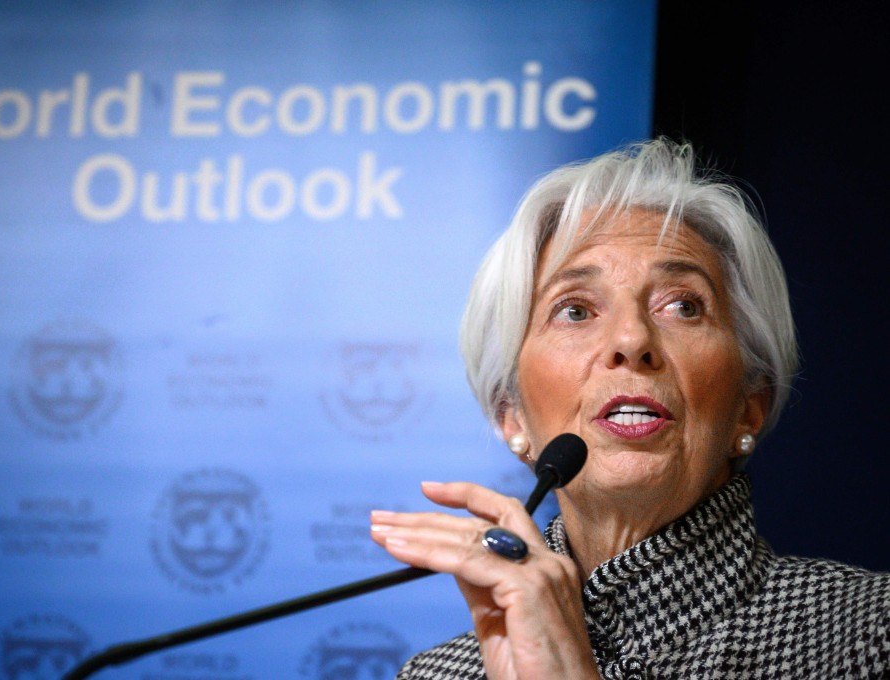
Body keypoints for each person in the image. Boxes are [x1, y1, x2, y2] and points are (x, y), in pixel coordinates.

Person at [370, 139, 889, 679]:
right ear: (512, 414)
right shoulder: (439, 675)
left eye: (683, 306)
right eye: (574, 310)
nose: (631, 338)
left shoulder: (869, 636)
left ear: (748, 407)